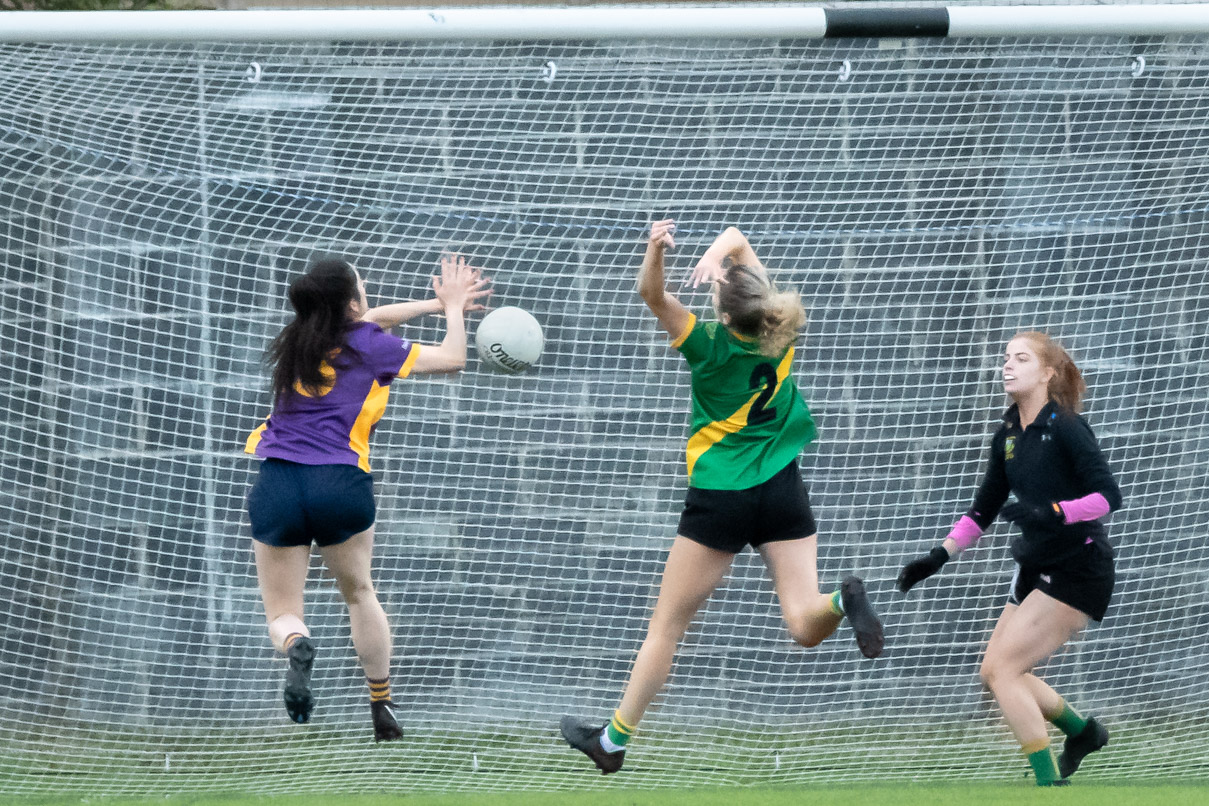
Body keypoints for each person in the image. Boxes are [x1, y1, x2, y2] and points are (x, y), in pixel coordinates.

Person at [559, 220, 884, 775]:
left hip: (721, 497)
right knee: (805, 624)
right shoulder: (781, 327)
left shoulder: (707, 345)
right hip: (783, 488)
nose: (714, 293)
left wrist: (655, 248)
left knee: (666, 627)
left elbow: (650, 294)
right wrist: (719, 256)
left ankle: (613, 742)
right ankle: (841, 600)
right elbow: (737, 235)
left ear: (728, 317)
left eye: (717, 293)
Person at [244, 253, 490, 741]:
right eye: (363, 285)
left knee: (283, 614)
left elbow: (371, 319)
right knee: (359, 593)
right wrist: (456, 310)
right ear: (352, 301)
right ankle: (382, 704)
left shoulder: (298, 337)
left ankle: (297, 644)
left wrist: (434, 303)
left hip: (278, 482)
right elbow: (454, 359)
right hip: (340, 482)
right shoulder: (372, 346)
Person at [897, 331, 1121, 786]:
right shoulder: (1008, 435)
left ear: (1047, 373)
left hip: (1078, 567)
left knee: (1004, 671)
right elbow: (983, 509)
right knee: (993, 672)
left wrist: (1053, 512)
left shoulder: (1067, 427)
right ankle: (1083, 733)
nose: (1007, 365)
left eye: (1021, 358)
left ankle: (1047, 783)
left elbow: (1107, 497)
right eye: (1006, 358)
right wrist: (939, 556)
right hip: (1035, 567)